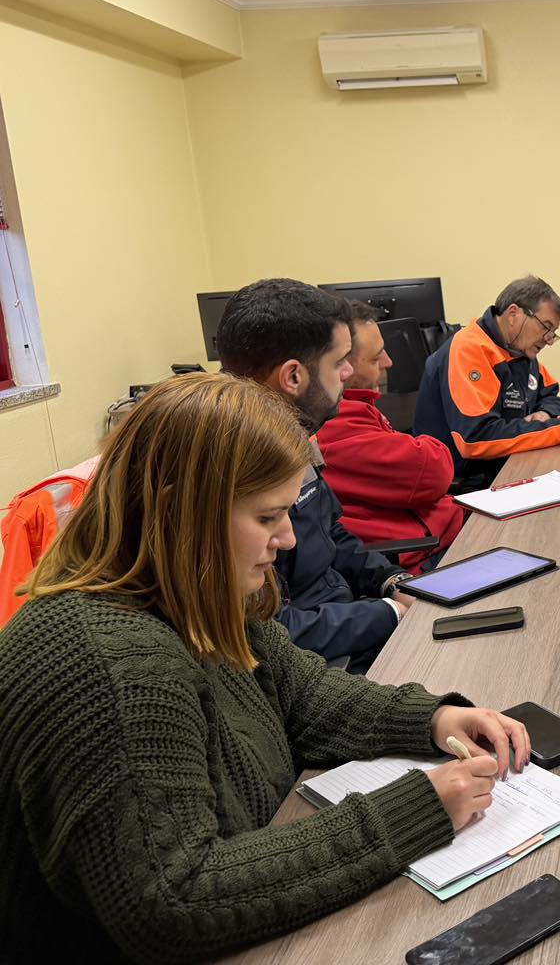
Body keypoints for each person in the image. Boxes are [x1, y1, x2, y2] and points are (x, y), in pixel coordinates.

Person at [0, 372, 531, 961]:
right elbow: (176, 900)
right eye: (267, 517)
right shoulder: (114, 666)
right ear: (178, 511)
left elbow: (303, 694)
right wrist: (416, 810)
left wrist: (431, 719)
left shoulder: (193, 588)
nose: (288, 539)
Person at [218, 278, 412, 670]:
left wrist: (391, 581)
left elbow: (332, 533)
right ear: (293, 376)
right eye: (339, 362)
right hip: (317, 663)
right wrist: (388, 614)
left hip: (348, 622)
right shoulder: (230, 467)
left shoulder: (298, 435)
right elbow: (266, 632)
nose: (349, 372)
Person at [316, 301, 465, 574]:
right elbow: (433, 472)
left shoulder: (360, 408)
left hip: (442, 537)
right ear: (342, 366)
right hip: (423, 557)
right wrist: (424, 447)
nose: (389, 362)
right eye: (375, 358)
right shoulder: (335, 421)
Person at [415, 276, 560, 489]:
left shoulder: (520, 350)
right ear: (513, 314)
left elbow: (550, 394)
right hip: (466, 483)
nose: (549, 340)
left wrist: (545, 413)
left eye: (553, 334)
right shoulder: (469, 349)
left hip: (506, 466)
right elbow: (475, 439)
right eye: (545, 327)